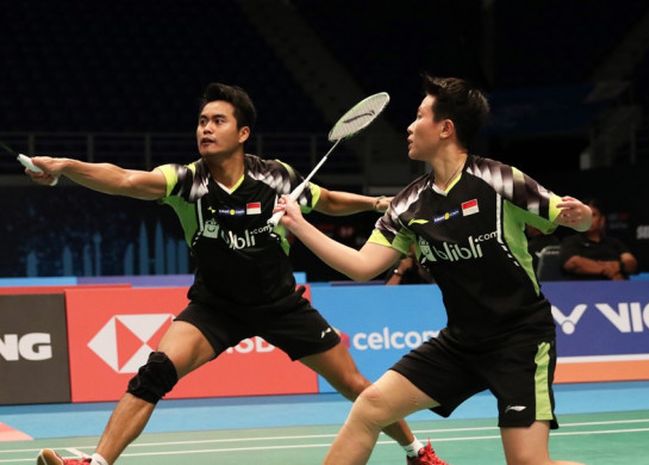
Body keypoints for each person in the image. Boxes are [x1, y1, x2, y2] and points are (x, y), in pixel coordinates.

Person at [29, 83, 447, 465]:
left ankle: (416, 453)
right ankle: (97, 463)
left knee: (355, 383)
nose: (206, 129)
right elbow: (123, 179)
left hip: (280, 305)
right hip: (216, 306)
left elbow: (328, 201)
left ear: (243, 133)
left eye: (218, 121)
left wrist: (375, 204)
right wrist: (66, 165)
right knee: (154, 373)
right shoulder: (187, 182)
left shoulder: (276, 176)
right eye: (202, 121)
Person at [276, 75, 592, 465]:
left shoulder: (499, 179)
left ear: (445, 128)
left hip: (519, 340)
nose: (409, 127)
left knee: (528, 463)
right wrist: (299, 224)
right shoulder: (409, 203)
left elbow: (565, 215)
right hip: (461, 342)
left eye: (419, 116)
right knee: (370, 406)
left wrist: (582, 218)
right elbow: (362, 267)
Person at [560, 199, 638, 280]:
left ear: (602, 220)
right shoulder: (571, 241)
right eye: (585, 215)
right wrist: (607, 269)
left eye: (593, 215)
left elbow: (630, 262)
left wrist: (621, 266)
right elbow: (573, 263)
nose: (589, 219)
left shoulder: (614, 243)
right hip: (583, 288)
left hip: (615, 287)